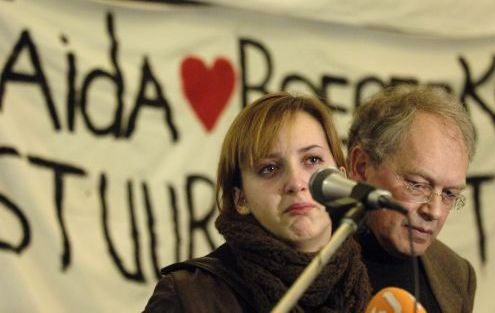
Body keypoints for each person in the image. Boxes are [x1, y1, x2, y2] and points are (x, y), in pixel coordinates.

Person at [143, 92, 371, 313]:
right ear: (241, 199)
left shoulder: (383, 291)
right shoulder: (188, 295)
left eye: (312, 160)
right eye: (269, 168)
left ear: (341, 179)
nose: (295, 182)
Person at [347, 84, 477, 313]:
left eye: (449, 194)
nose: (434, 212)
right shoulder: (306, 260)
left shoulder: (457, 274)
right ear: (361, 166)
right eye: (417, 185)